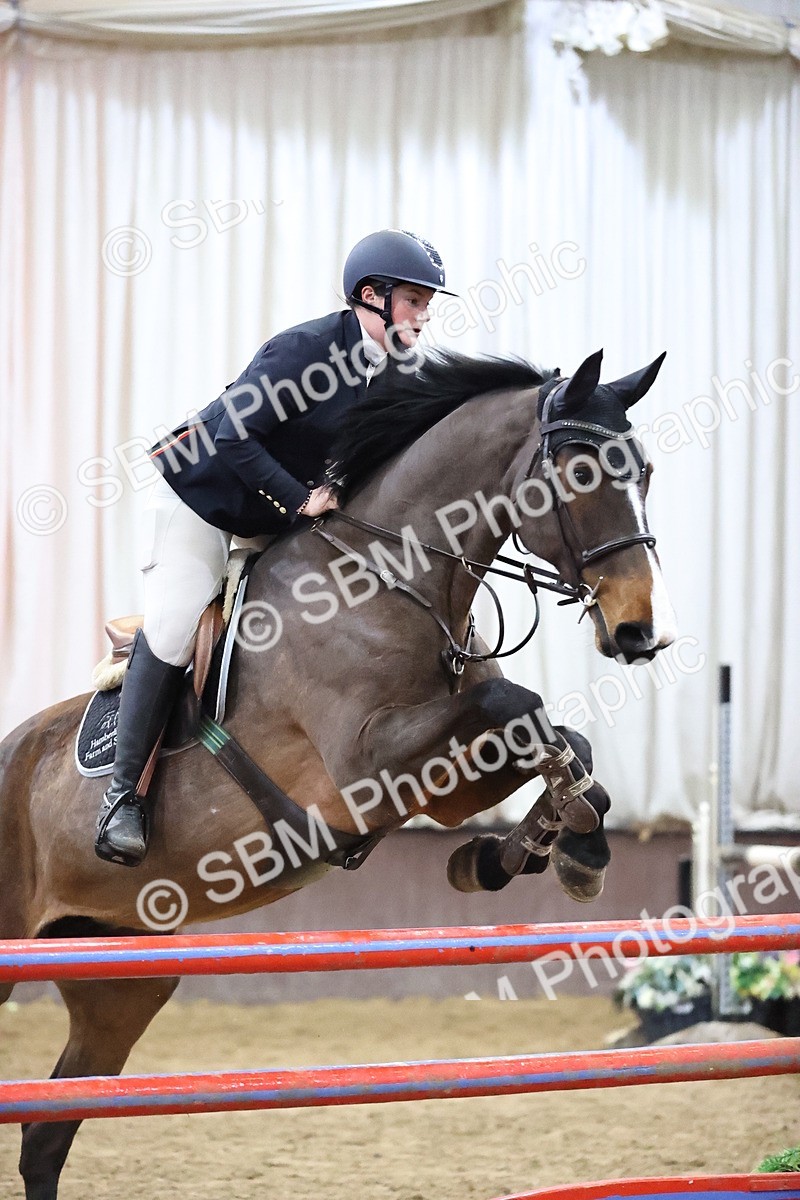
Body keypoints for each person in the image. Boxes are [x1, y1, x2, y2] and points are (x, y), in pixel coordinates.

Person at [95, 229, 453, 867]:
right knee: (177, 623)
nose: (424, 314)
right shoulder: (306, 350)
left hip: (279, 506)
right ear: (371, 297)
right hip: (205, 495)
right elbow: (233, 432)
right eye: (415, 299)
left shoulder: (402, 372)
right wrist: (298, 500)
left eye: (428, 301)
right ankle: (123, 797)